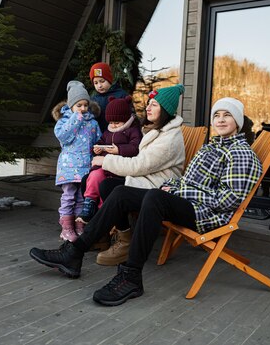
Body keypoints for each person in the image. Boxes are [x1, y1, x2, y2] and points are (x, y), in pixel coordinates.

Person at [30, 97, 262, 306]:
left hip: (207, 215)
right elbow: (187, 182)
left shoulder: (240, 153)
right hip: (186, 202)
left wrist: (179, 192)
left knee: (154, 198)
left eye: (227, 115)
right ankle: (74, 252)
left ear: (238, 122)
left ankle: (131, 276)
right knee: (121, 193)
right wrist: (173, 188)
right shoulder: (209, 148)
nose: (221, 120)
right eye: (217, 115)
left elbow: (229, 199)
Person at [88, 84, 186, 266]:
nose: (148, 107)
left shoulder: (170, 138)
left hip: (158, 188)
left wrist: (106, 160)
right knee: (106, 185)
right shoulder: (153, 129)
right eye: (149, 103)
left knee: (115, 189)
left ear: (165, 109)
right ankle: (121, 237)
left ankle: (111, 242)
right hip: (146, 179)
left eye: (154, 104)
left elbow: (140, 165)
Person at [76, 95, 142, 224]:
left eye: (117, 122)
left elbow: (136, 148)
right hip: (104, 168)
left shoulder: (132, 131)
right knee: (93, 176)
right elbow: (100, 141)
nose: (114, 125)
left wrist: (119, 150)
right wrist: (97, 149)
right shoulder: (108, 131)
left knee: (103, 184)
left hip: (120, 170)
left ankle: (102, 211)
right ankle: (89, 204)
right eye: (111, 122)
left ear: (126, 119)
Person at [51, 80, 102, 242]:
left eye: (85, 105)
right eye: (78, 105)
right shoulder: (64, 122)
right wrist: (76, 119)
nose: (83, 109)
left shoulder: (92, 123)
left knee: (82, 197)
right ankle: (66, 228)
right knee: (69, 197)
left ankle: (79, 226)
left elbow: (97, 140)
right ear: (71, 105)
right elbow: (63, 138)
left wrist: (98, 150)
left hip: (85, 167)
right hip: (68, 167)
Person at [89, 62, 129, 132]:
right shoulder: (93, 99)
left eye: (102, 81)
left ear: (109, 80)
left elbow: (129, 115)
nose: (99, 85)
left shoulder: (121, 95)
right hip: (100, 136)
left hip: (118, 133)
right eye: (96, 83)